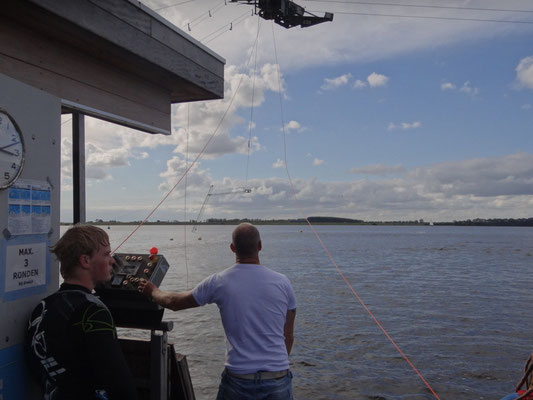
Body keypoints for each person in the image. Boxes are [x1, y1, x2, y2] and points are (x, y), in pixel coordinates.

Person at [138, 222, 296, 400]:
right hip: (278, 378)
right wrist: (274, 367)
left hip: (239, 379)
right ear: (260, 246)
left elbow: (175, 302)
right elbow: (288, 336)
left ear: (232, 248)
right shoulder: (283, 283)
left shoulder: (219, 282)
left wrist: (152, 291)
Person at [26, 225, 138, 400]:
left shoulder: (42, 307)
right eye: (106, 254)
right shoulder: (92, 310)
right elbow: (119, 382)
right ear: (85, 261)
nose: (113, 261)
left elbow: (37, 369)